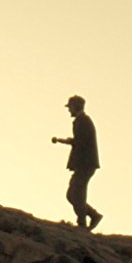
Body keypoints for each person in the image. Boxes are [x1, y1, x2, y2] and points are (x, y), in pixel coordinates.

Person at [51, 95, 102, 231]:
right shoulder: (82, 121)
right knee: (74, 194)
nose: (69, 110)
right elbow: (80, 141)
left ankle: (83, 223)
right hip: (84, 164)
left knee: (76, 194)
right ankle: (92, 216)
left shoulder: (83, 121)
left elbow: (81, 142)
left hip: (85, 164)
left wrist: (66, 141)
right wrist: (66, 141)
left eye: (70, 107)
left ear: (76, 107)